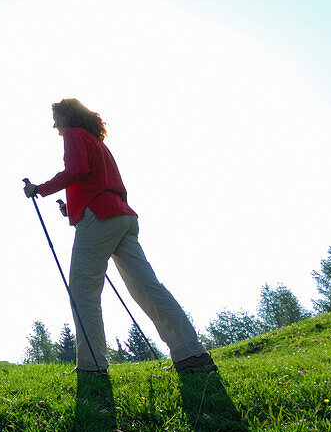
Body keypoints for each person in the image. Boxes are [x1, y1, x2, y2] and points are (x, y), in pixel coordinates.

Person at [24, 98, 216, 375]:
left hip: (100, 218)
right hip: (121, 217)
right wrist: (72, 208)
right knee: (147, 287)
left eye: (56, 119)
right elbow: (94, 181)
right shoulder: (97, 143)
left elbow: (76, 171)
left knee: (82, 290)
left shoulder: (74, 135)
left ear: (67, 117)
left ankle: (92, 366)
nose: (54, 126)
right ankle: (191, 354)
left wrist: (39, 189)